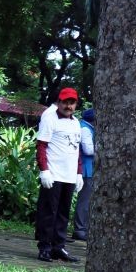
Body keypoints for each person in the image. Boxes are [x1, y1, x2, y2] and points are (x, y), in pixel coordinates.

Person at [36, 87, 83, 262]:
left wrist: (79, 173)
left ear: (76, 104)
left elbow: (76, 148)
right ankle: (45, 247)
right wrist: (44, 170)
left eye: (72, 103)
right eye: (65, 102)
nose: (68, 106)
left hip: (69, 175)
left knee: (63, 213)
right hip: (53, 174)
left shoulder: (75, 122)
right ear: (60, 102)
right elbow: (41, 145)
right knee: (49, 212)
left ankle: (59, 247)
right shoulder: (50, 119)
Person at [72, 108, 96, 241]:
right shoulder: (86, 129)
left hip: (88, 168)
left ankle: (82, 228)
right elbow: (88, 150)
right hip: (87, 168)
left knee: (86, 200)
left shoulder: (84, 126)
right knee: (84, 201)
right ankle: (80, 229)